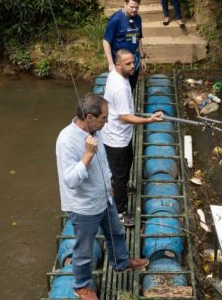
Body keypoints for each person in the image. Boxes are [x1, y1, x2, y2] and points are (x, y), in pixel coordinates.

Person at [56, 94, 149, 300]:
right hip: (84, 207)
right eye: (104, 118)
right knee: (84, 249)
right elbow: (70, 180)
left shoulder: (94, 132)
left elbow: (104, 162)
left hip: (103, 198)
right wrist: (87, 154)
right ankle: (81, 286)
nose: (107, 122)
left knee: (116, 232)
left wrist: (109, 185)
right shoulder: (66, 140)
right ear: (90, 116)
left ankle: (121, 262)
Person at [102, 49, 163, 226]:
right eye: (128, 64)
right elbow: (125, 117)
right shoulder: (120, 87)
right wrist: (149, 120)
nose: (132, 66)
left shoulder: (116, 74)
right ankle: (120, 212)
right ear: (118, 64)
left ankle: (122, 186)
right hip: (116, 137)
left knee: (127, 162)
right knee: (119, 174)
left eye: (133, 62)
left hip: (122, 134)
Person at [103, 0, 146, 92]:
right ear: (125, 4)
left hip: (134, 63)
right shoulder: (115, 19)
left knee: (131, 88)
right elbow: (106, 41)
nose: (134, 10)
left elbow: (138, 38)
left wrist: (142, 58)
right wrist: (110, 63)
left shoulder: (138, 19)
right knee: (120, 90)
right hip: (120, 65)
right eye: (132, 7)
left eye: (137, 7)